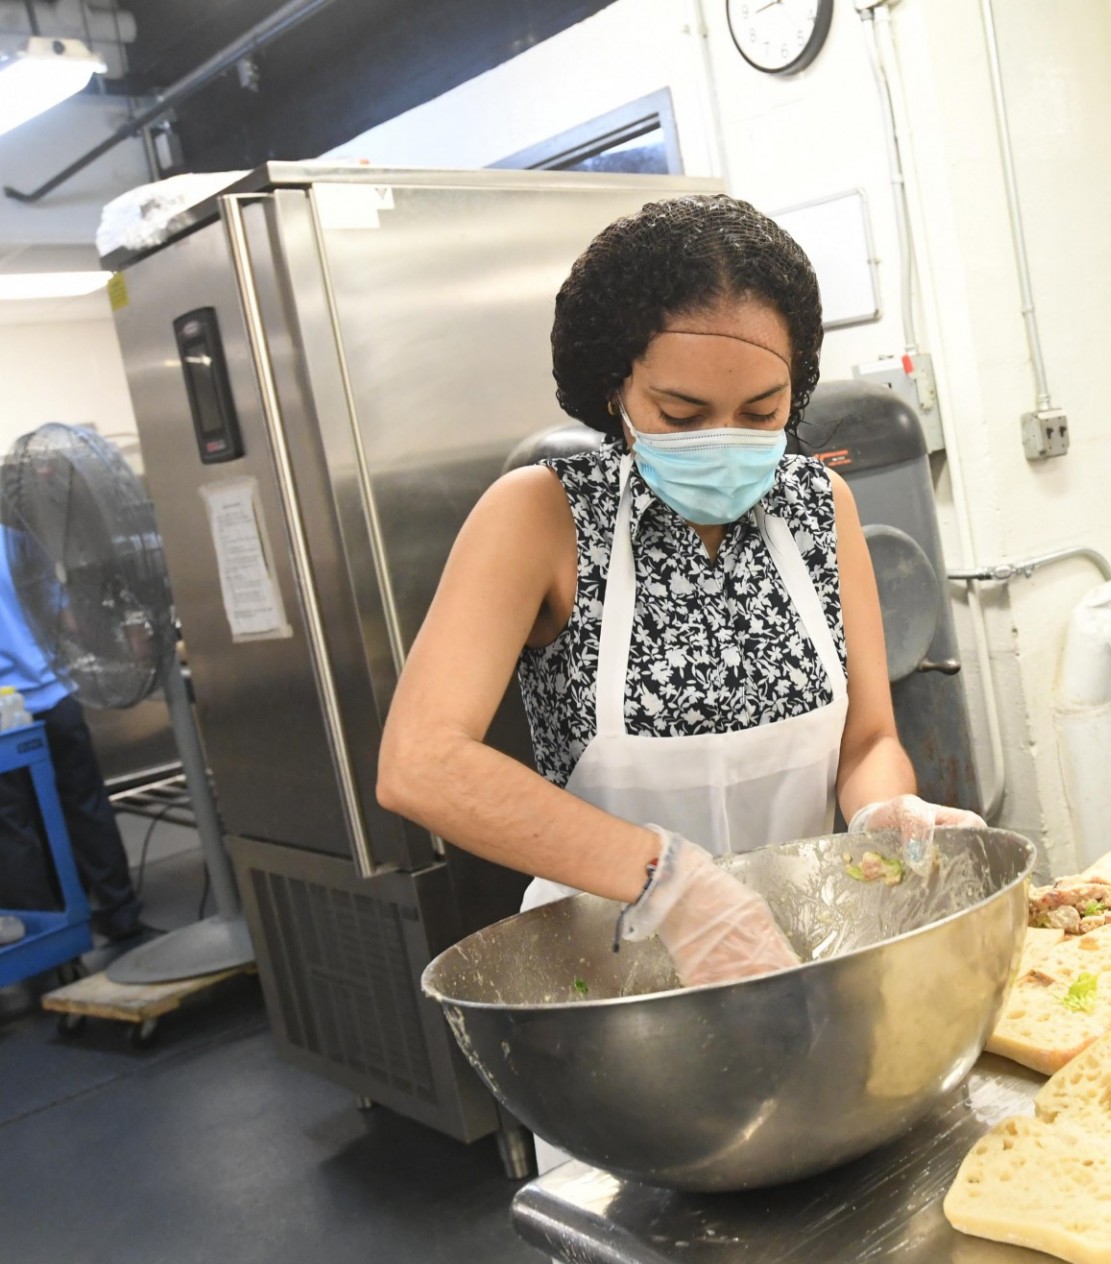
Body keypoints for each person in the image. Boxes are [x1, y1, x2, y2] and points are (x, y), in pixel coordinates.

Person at [377, 195, 980, 992]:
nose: (722, 439)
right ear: (614, 387)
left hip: (797, 952)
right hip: (610, 986)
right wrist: (674, 884)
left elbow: (867, 741)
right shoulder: (542, 516)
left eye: (760, 412)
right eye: (681, 412)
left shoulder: (816, 506)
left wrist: (884, 813)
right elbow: (422, 764)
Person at [0, 539, 144, 940]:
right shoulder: (15, 539)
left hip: (2, 717)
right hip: (55, 698)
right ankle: (120, 911)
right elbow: (68, 618)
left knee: (13, 829)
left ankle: (44, 938)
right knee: (85, 805)